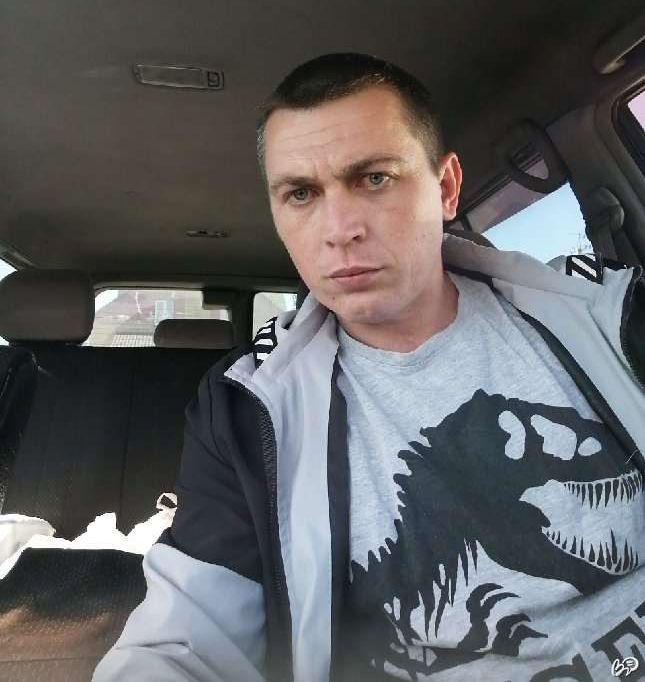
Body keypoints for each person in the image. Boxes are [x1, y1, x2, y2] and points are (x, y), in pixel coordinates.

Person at [94, 53, 645, 682]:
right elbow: (185, 642)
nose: (339, 230)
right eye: (301, 193)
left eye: (375, 178)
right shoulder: (243, 413)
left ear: (446, 188)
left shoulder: (607, 314)